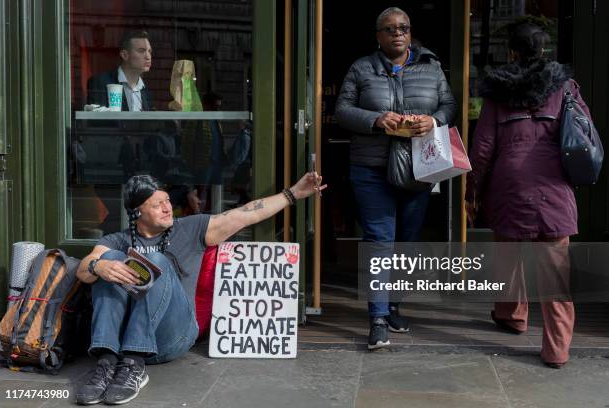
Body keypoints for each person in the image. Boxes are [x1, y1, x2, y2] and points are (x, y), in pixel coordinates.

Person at [75, 173, 326, 405]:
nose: (167, 208)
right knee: (107, 262)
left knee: (157, 262)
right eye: (157, 204)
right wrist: (100, 266)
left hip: (173, 336)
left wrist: (293, 193)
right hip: (121, 339)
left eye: (167, 201)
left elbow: (245, 214)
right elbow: (83, 270)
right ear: (137, 213)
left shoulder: (191, 228)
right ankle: (106, 361)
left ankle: (133, 364)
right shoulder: (116, 240)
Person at [465, 23, 591, 369]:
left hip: (510, 185)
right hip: (554, 187)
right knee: (555, 272)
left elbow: (483, 148)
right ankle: (557, 350)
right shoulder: (566, 88)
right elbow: (583, 132)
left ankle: (512, 315)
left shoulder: (497, 93)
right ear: (544, 51)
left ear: (512, 53)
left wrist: (472, 189)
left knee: (509, 255)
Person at [335, 7, 456, 350]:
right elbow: (342, 111)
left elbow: (449, 104)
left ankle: (393, 306)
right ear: (379, 36)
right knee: (379, 241)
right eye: (389, 29)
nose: (397, 33)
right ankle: (376, 317)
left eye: (403, 28)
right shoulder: (361, 68)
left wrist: (432, 122)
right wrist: (376, 119)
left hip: (419, 167)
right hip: (371, 168)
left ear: (410, 32)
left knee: (405, 241)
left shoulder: (431, 68)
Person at [87, 30, 153, 111]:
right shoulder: (100, 82)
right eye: (141, 51)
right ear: (125, 55)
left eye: (149, 51)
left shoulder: (146, 91)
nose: (148, 57)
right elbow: (95, 121)